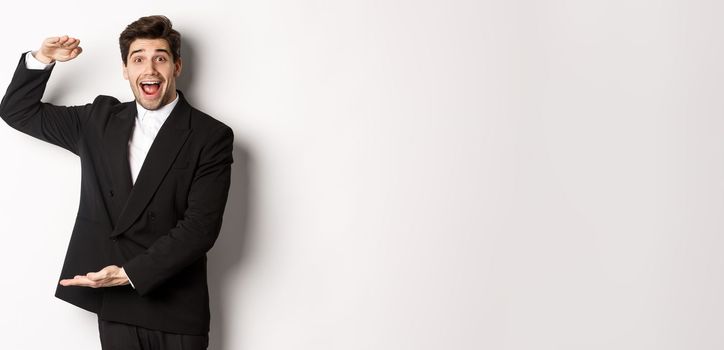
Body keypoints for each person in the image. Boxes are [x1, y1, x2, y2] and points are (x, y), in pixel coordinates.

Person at [0, 15, 233, 350]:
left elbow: (201, 228)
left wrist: (128, 274)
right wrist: (42, 58)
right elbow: (17, 112)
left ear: (177, 66)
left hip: (178, 306)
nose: (149, 69)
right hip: (118, 305)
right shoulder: (97, 120)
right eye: (138, 59)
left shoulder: (211, 136)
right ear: (125, 70)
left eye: (160, 58)